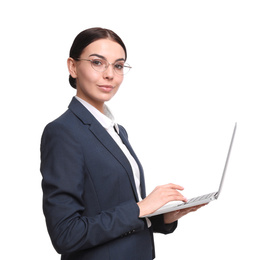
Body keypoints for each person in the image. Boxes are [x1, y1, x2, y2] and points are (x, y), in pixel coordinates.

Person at [40, 27, 206, 260]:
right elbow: (66, 234)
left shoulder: (117, 132)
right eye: (98, 62)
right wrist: (141, 208)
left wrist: (161, 216)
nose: (110, 74)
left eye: (118, 66)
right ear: (73, 67)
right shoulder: (63, 132)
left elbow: (114, 210)